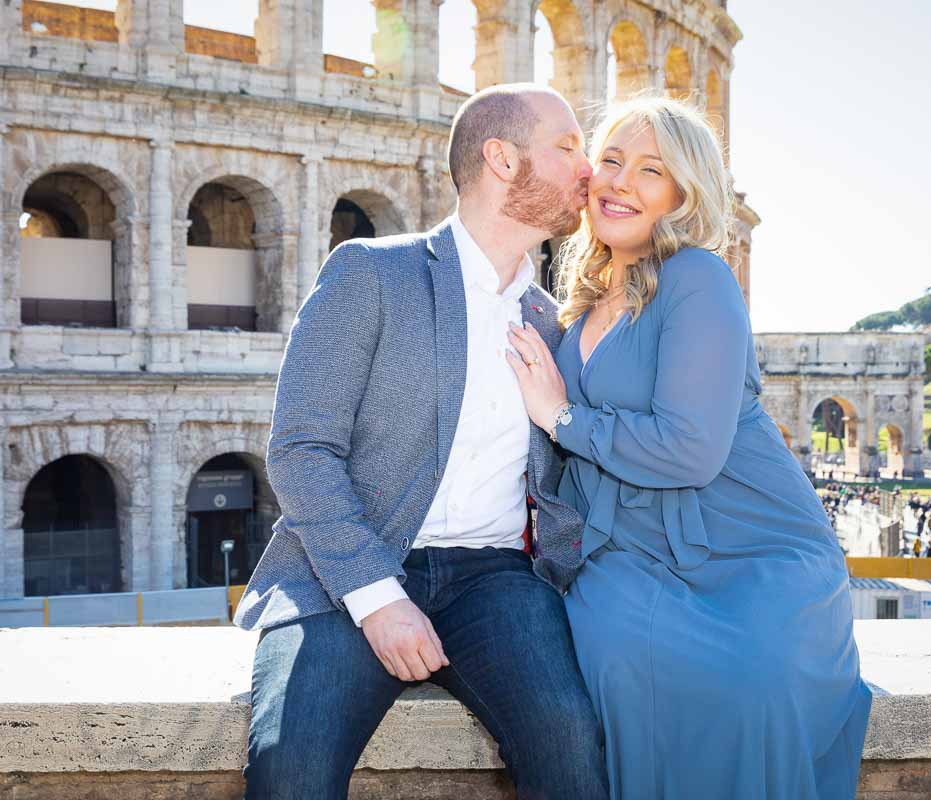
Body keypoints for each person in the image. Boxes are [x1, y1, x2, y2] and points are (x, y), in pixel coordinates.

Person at [232, 84, 609, 800]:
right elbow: (301, 448)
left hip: (495, 579)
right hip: (350, 569)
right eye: (567, 148)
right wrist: (377, 599)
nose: (587, 168)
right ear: (501, 159)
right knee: (291, 768)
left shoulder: (550, 318)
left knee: (572, 741)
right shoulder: (371, 272)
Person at [505, 96, 870, 799]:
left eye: (651, 170)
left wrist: (562, 417)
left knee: (750, 680)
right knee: (615, 662)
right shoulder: (579, 293)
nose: (620, 182)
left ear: (682, 193)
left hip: (749, 547)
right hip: (629, 552)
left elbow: (691, 450)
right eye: (610, 161)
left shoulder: (698, 277)